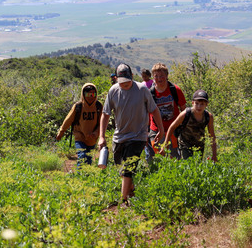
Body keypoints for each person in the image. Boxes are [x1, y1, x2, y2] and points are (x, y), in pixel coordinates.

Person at [98, 63, 164, 205]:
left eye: (127, 81)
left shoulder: (142, 90)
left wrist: (161, 129)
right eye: (121, 82)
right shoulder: (113, 91)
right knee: (121, 167)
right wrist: (101, 136)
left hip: (138, 136)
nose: (125, 84)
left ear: (132, 77)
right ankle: (132, 190)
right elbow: (105, 114)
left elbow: (154, 110)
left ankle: (123, 200)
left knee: (128, 167)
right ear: (116, 79)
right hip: (119, 136)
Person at [146, 63, 186, 162]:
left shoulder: (175, 90)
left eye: (162, 76)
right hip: (155, 130)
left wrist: (184, 127)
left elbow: (184, 110)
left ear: (167, 76)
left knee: (174, 157)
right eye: (156, 76)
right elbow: (147, 113)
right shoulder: (150, 93)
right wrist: (145, 130)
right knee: (156, 157)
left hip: (173, 130)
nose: (159, 78)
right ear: (153, 77)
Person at [56, 83, 102, 168]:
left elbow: (101, 123)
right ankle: (79, 176)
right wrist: (61, 132)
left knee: (88, 158)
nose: (91, 97)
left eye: (93, 94)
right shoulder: (78, 106)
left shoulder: (98, 106)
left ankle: (85, 177)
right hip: (79, 135)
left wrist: (96, 133)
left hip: (92, 138)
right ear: (83, 94)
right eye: (88, 94)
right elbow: (68, 120)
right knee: (82, 156)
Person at [164, 90, 217, 162]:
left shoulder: (208, 116)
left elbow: (212, 136)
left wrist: (214, 155)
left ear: (206, 104)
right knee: (187, 164)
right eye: (197, 103)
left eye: (202, 104)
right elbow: (172, 127)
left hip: (199, 145)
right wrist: (166, 144)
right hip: (185, 144)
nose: (199, 106)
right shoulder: (186, 113)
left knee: (197, 167)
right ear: (192, 103)